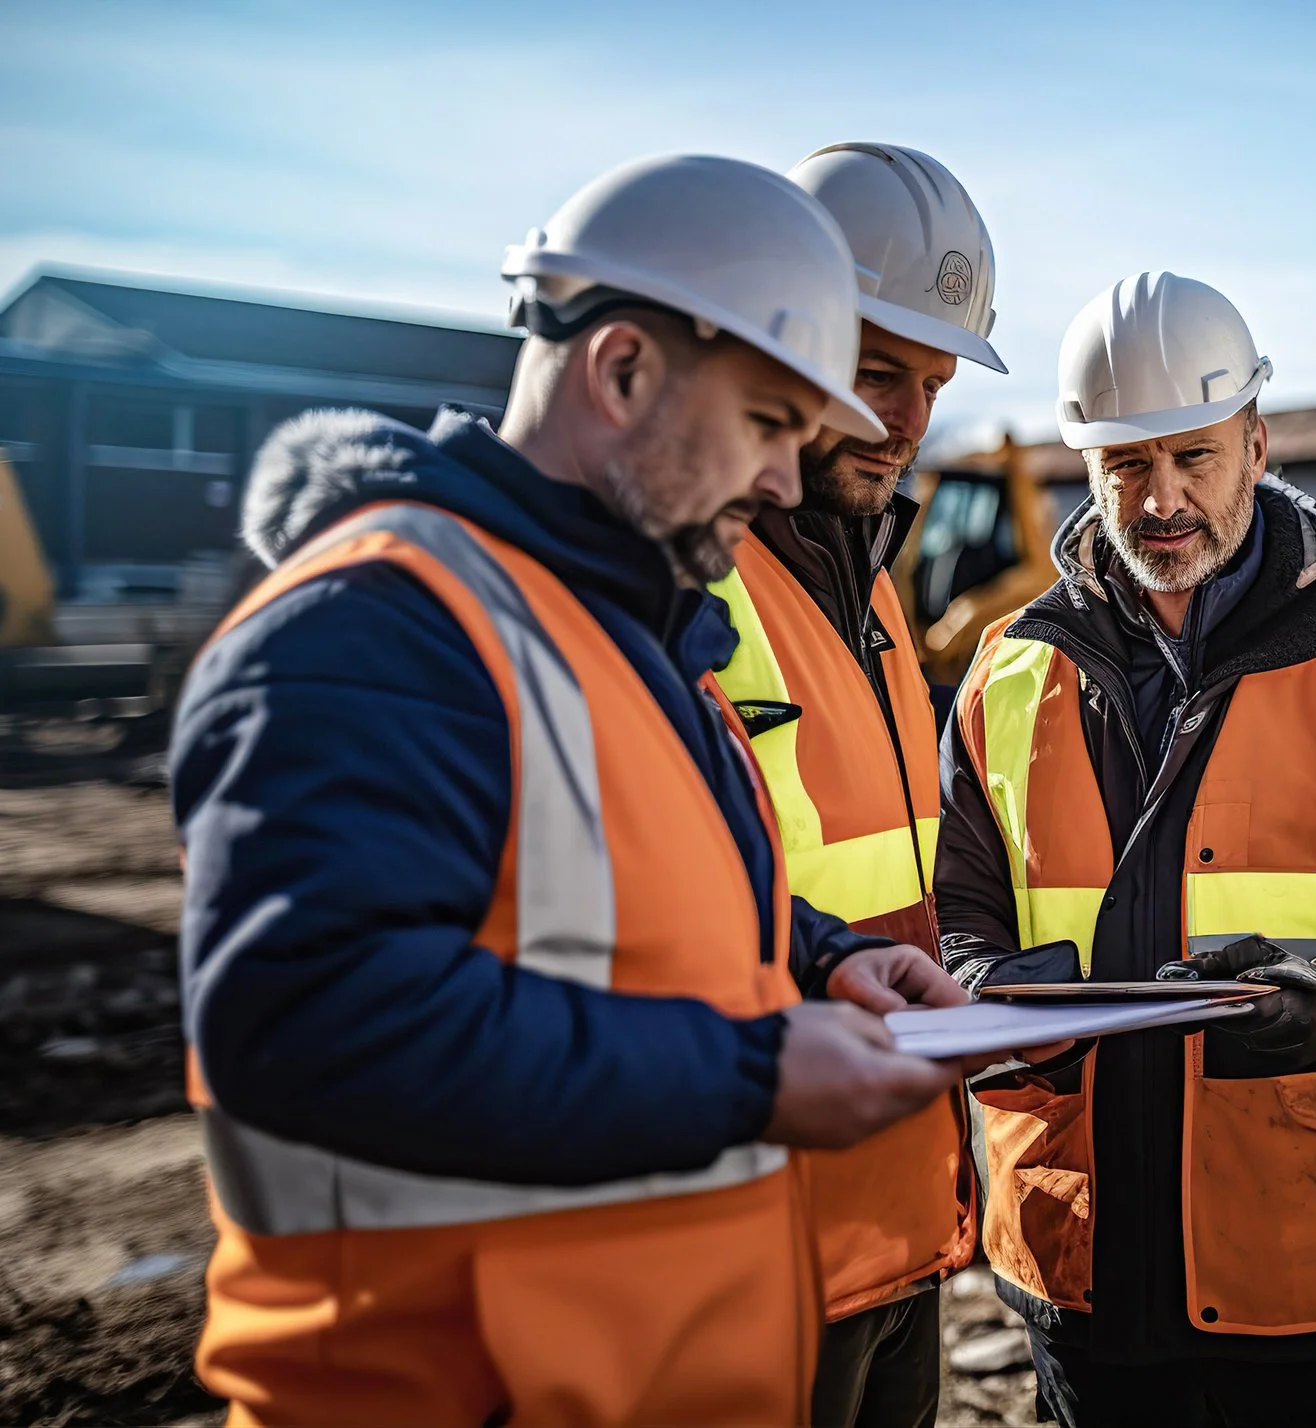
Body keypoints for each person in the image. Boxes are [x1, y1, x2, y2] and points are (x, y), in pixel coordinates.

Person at [174, 154, 978, 1426]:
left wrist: (822, 959)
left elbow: (648, 903)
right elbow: (310, 1024)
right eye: (770, 423)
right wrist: (752, 1077)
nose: (785, 480)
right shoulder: (377, 631)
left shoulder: (622, 634)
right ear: (620, 371)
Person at [933, 271, 1316, 1427]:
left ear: (1255, 445)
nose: (1160, 499)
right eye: (1125, 464)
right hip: (1080, 1245)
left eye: (1191, 457)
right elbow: (957, 898)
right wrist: (987, 995)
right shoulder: (1004, 668)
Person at [710, 142, 1006, 1428]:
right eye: (877, 372)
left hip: (901, 1219)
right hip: (755, 1243)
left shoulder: (873, 584)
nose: (907, 419)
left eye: (931, 383)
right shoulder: (690, 582)